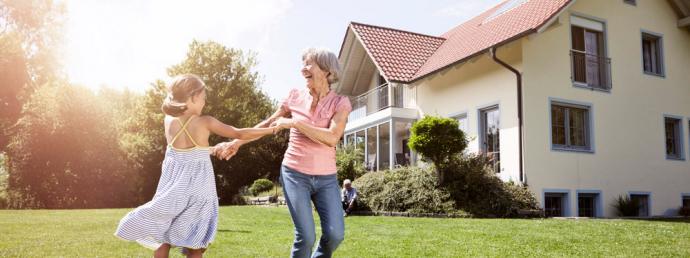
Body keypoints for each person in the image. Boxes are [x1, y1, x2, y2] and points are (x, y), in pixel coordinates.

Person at [115, 74, 277, 258]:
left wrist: (210, 149)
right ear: (192, 98)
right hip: (198, 190)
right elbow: (239, 133)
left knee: (163, 239)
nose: (204, 104)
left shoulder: (168, 120)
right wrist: (272, 129)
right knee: (195, 244)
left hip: (173, 189)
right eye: (203, 99)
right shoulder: (204, 121)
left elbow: (182, 154)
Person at [213, 48, 352, 258]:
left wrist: (295, 123)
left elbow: (332, 137)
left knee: (335, 234)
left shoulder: (340, 103)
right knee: (305, 237)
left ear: (326, 70)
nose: (302, 68)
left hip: (326, 179)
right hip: (295, 174)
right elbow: (269, 123)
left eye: (308, 64)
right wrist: (237, 142)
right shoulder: (295, 96)